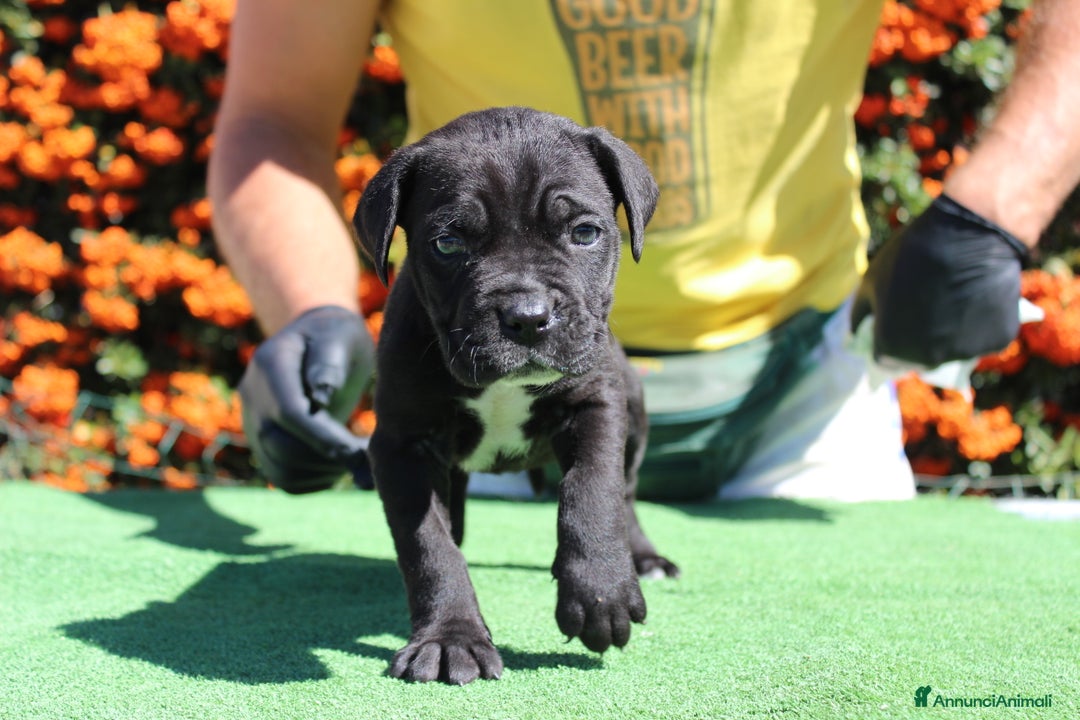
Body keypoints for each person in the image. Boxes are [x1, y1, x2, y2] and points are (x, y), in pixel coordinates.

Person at [208, 0, 1080, 502]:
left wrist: (995, 207)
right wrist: (313, 309)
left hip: (809, 390)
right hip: (478, 398)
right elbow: (274, 120)